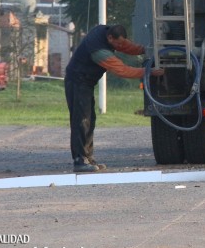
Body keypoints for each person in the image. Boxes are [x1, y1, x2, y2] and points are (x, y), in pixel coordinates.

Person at [65, 24, 164, 172]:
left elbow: (126, 46)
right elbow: (122, 70)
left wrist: (145, 50)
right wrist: (148, 71)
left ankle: (88, 158)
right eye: (117, 43)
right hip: (77, 81)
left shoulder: (108, 33)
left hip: (85, 83)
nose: (120, 46)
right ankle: (79, 160)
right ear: (110, 38)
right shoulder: (99, 50)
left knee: (90, 120)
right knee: (81, 120)